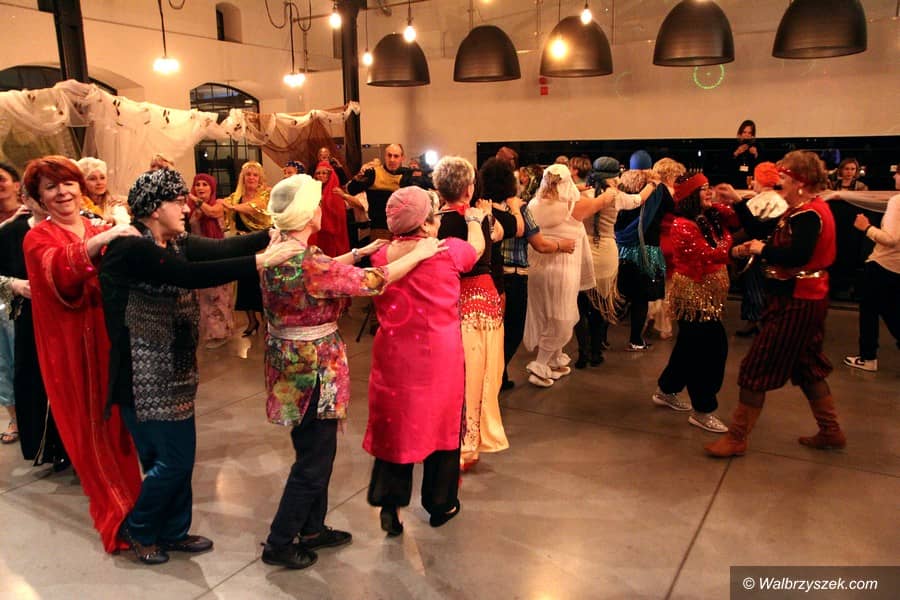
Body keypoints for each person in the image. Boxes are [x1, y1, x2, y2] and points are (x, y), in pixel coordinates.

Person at [99, 168, 301, 565]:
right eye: (177, 202)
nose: (186, 208)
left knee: (180, 459)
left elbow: (221, 249)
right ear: (154, 209)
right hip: (141, 374)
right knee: (170, 462)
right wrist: (263, 260)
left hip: (174, 368)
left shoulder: (174, 242)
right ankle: (139, 528)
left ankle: (174, 531)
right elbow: (188, 275)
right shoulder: (131, 247)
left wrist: (274, 232)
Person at [259, 175, 445, 570]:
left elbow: (321, 272)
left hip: (290, 362)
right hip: (313, 369)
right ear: (306, 213)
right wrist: (419, 253)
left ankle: (312, 529)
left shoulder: (278, 248)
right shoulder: (307, 261)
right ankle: (279, 541)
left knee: (313, 451)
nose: (321, 209)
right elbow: (372, 281)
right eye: (316, 204)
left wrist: (359, 251)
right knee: (314, 460)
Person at [22, 155, 143, 552]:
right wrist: (103, 240)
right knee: (93, 434)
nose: (62, 193)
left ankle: (142, 513)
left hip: (112, 343)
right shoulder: (38, 237)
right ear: (39, 197)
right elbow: (59, 270)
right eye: (51, 187)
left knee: (122, 432)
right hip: (72, 351)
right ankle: (121, 522)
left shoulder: (96, 226)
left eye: (68, 183)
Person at [706, 151, 845, 457]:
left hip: (797, 301)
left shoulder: (809, 214)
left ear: (800, 182)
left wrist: (762, 249)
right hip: (802, 297)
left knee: (757, 366)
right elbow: (761, 229)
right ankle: (831, 431)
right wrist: (739, 207)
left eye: (784, 178)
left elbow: (797, 255)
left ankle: (737, 437)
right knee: (808, 366)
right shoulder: (802, 210)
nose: (779, 182)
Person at [364, 186, 483, 536]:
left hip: (394, 356)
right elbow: (476, 249)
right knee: (443, 427)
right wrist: (474, 220)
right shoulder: (449, 251)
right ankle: (440, 503)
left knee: (396, 427)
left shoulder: (381, 257)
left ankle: (390, 503)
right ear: (427, 222)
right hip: (439, 358)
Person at [433, 156, 508, 469]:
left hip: (444, 301)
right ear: (468, 189)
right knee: (481, 375)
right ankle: (468, 445)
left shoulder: (433, 222)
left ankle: (451, 439)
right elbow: (499, 235)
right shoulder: (478, 219)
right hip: (479, 301)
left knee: (450, 376)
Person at [652, 173, 733, 433]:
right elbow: (708, 253)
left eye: (709, 187)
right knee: (710, 350)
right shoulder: (682, 224)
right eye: (703, 189)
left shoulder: (707, 216)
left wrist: (734, 200)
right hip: (694, 296)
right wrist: (733, 249)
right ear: (689, 195)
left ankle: (667, 389)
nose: (709, 192)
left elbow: (734, 220)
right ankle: (703, 410)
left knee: (688, 347)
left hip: (708, 294)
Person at [0, 168, 70, 466]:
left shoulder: (74, 225)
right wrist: (15, 285)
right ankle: (50, 446)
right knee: (37, 382)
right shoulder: (12, 232)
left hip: (71, 316)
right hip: (29, 318)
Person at [577, 159, 658, 368]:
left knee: (580, 305)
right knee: (601, 304)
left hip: (582, 251)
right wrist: (653, 183)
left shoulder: (581, 195)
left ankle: (582, 354)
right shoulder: (616, 196)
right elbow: (639, 199)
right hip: (606, 252)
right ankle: (596, 353)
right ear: (614, 176)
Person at [523, 164, 594, 387]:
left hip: (537, 267)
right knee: (562, 316)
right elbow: (603, 201)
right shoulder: (573, 205)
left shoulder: (533, 204)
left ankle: (554, 360)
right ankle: (540, 364)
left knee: (547, 313)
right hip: (562, 267)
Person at [615, 158, 682, 350]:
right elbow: (672, 208)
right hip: (647, 249)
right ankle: (636, 340)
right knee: (641, 298)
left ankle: (600, 341)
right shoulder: (658, 189)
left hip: (621, 247)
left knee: (617, 295)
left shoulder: (622, 185)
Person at [715, 162, 788, 337]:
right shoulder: (777, 200)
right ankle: (756, 320)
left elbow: (754, 227)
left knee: (754, 285)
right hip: (764, 249)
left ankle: (756, 320)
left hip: (759, 250)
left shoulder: (762, 200)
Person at [843, 165, 900, 371]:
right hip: (896, 267)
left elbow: (891, 239)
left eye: (899, 173)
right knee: (887, 310)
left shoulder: (897, 201)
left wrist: (866, 227)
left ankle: (868, 357)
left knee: (873, 310)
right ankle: (867, 356)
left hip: (883, 264)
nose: (895, 176)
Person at [223, 161, 271, 336]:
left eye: (255, 175)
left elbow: (254, 207)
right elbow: (218, 209)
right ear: (242, 178)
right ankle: (252, 322)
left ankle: (267, 323)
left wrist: (232, 207)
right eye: (248, 175)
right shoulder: (235, 197)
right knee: (245, 283)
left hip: (262, 245)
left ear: (260, 178)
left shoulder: (266, 194)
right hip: (243, 245)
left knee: (263, 284)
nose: (251, 178)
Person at [188, 174, 234, 348]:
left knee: (219, 296)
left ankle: (221, 333)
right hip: (200, 256)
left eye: (204, 184)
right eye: (197, 184)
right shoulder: (190, 207)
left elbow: (212, 212)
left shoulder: (219, 204)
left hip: (219, 255)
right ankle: (209, 333)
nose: (200, 188)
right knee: (204, 297)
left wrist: (195, 200)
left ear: (212, 188)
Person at [347, 144, 422, 241]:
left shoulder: (407, 175)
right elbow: (351, 190)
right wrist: (358, 176)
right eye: (389, 155)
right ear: (384, 156)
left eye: (396, 156)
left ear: (402, 158)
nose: (392, 159)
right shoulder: (373, 173)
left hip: (404, 230)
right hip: (380, 229)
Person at [0, 162, 23, 445]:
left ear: (17, 185)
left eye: (1, 179)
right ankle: (15, 419)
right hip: (1, 294)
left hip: (25, 295)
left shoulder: (30, 215)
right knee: (3, 362)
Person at [308, 161, 350, 258]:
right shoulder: (312, 191)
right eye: (318, 173)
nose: (321, 176)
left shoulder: (335, 191)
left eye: (324, 173)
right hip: (317, 232)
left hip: (331, 234)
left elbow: (339, 215)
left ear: (329, 175)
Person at [76, 157, 129, 225]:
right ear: (82, 182)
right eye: (92, 179)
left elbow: (125, 221)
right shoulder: (77, 204)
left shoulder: (113, 201)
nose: (99, 182)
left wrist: (112, 220)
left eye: (102, 178)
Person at [731, 119, 759, 188]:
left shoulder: (756, 146)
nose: (746, 135)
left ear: (752, 135)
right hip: (736, 179)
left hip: (750, 179)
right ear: (740, 133)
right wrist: (736, 153)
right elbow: (727, 164)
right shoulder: (734, 145)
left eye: (749, 133)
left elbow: (760, 166)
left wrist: (756, 154)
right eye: (744, 132)